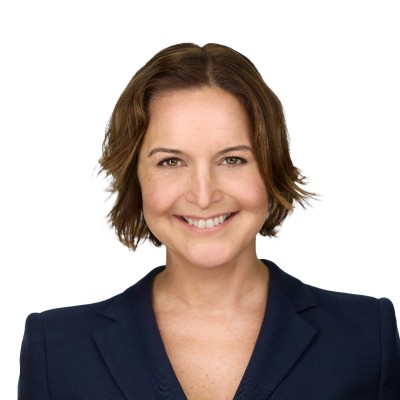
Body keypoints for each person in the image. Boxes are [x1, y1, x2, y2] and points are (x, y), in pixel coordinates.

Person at [18, 43, 400, 399]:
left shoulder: (368, 337)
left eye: (232, 159)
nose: (203, 195)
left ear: (270, 169)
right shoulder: (56, 350)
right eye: (171, 161)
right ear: (135, 178)